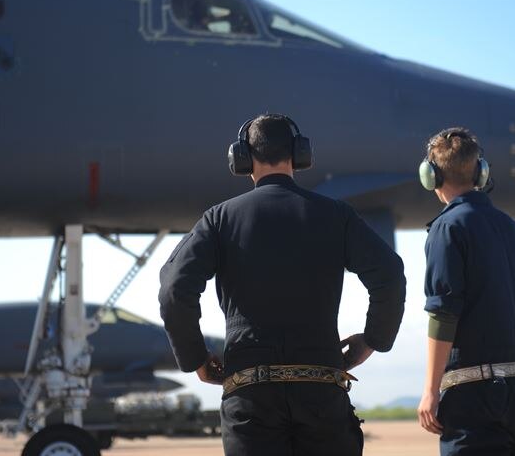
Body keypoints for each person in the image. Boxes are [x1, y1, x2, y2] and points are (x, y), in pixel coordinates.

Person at [158, 113, 406, 456]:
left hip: (251, 396)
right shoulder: (337, 215)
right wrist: (374, 339)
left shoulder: (218, 220)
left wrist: (195, 357)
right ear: (299, 154)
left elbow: (174, 289)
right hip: (321, 391)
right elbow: (389, 274)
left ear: (242, 159)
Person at [415, 128, 515, 456]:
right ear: (480, 172)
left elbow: (444, 313)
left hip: (474, 401)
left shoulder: (447, 228)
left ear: (432, 176)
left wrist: (430, 391)